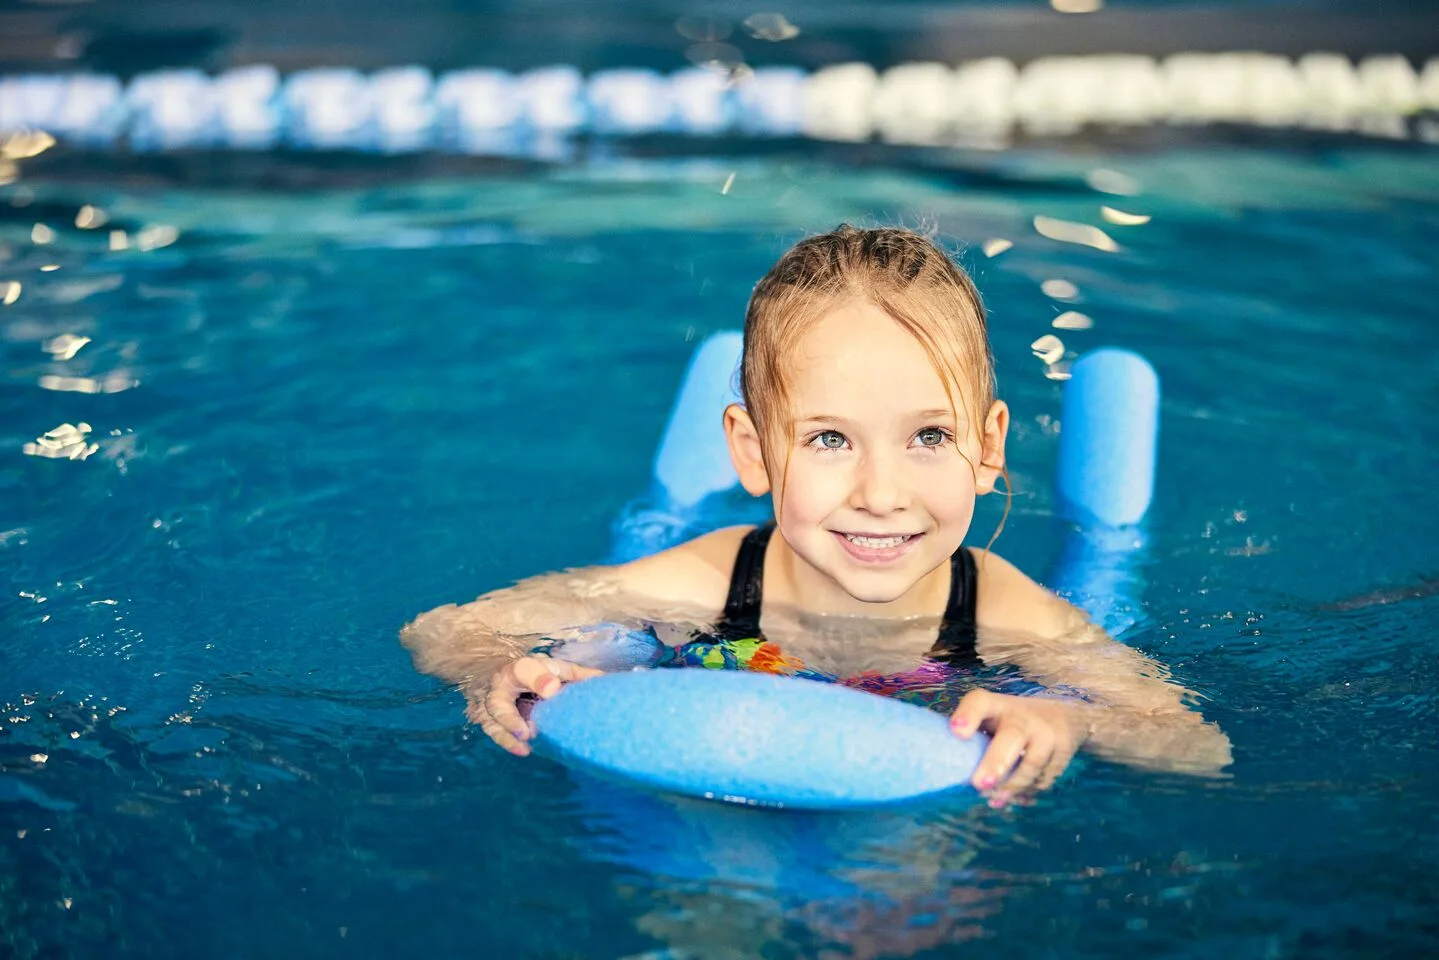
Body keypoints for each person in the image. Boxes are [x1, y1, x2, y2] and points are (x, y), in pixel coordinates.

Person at [401, 225, 1231, 807]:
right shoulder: (706, 581)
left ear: (986, 449)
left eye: (929, 437)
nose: (881, 492)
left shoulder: (1005, 614)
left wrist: (1065, 719)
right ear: (754, 452)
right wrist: (498, 673)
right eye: (830, 438)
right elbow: (443, 629)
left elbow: (1196, 747)